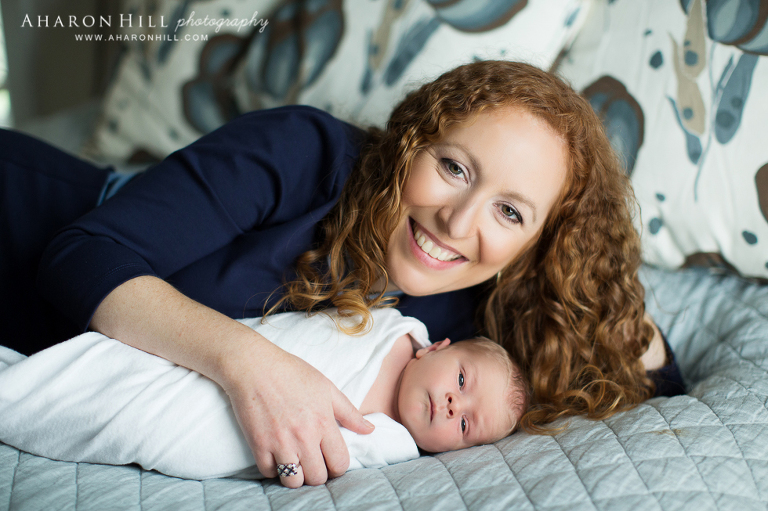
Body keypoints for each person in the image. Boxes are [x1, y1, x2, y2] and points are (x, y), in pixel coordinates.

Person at [0, 60, 683, 488]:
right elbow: (82, 254)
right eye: (453, 168)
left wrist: (593, 278)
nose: (457, 222)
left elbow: (654, 377)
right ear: (412, 142)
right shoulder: (306, 153)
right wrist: (252, 365)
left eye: (510, 212)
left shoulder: (463, 317)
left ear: (535, 246)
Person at [0, 308, 526, 484]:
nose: (454, 405)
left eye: (465, 425)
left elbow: (319, 460)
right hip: (210, 362)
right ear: (436, 347)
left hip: (199, 431)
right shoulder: (382, 326)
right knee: (104, 371)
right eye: (462, 381)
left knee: (123, 417)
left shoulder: (393, 445)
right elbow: (291, 329)